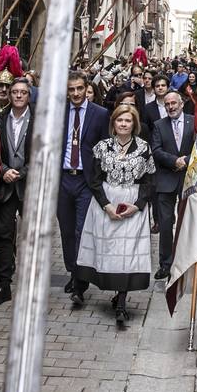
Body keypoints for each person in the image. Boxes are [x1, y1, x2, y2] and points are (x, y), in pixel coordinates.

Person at [75, 104, 154, 329]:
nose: (123, 124)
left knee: (126, 253)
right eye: (119, 120)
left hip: (132, 201)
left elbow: (150, 182)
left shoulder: (144, 148)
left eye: (128, 121)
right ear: (113, 123)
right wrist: (106, 205)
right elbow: (94, 179)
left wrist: (138, 206)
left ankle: (121, 302)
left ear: (134, 124)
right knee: (102, 247)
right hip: (105, 200)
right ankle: (82, 287)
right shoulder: (102, 147)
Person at [0, 74, 31, 314]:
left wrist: (21, 172)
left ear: (29, 96)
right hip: (5, 186)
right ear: (9, 96)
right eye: (15, 92)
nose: (18, 96)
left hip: (29, 184)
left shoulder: (40, 122)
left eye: (23, 92)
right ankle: (3, 285)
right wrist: (3, 170)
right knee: (3, 235)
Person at [59, 70, 109, 305]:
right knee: (67, 231)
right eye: (71, 89)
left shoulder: (99, 114)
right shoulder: (58, 114)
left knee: (81, 231)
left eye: (80, 88)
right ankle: (73, 271)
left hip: (86, 181)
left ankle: (79, 283)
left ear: (86, 87)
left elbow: (104, 150)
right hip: (63, 179)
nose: (76, 93)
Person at [149, 89, 194, 281]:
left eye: (173, 103)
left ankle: (187, 259)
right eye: (167, 104)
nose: (170, 107)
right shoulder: (159, 125)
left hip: (188, 179)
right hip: (166, 180)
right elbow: (156, 150)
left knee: (188, 223)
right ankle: (165, 264)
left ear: (181, 103)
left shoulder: (194, 121)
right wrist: (175, 161)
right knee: (166, 225)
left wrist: (187, 160)